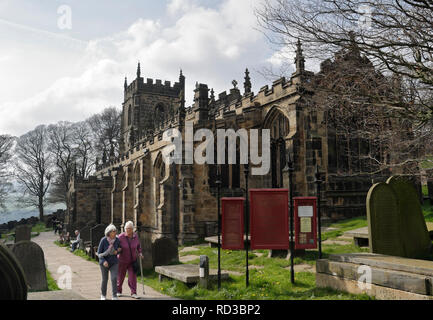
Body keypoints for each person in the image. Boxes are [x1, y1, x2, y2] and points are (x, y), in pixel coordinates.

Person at [117, 221, 142, 299]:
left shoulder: (135, 237)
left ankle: (133, 293)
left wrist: (140, 253)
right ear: (125, 229)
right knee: (120, 276)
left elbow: (138, 247)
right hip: (122, 260)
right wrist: (117, 250)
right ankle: (118, 291)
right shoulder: (120, 237)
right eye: (127, 228)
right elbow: (115, 246)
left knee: (132, 277)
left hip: (132, 261)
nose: (128, 230)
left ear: (133, 229)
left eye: (130, 229)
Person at [97, 224, 121, 300]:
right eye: (113, 231)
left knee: (114, 278)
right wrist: (103, 261)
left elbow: (120, 248)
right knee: (105, 279)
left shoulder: (117, 240)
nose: (115, 233)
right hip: (104, 263)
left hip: (114, 262)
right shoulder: (103, 240)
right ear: (109, 233)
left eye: (115, 231)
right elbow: (99, 253)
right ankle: (103, 295)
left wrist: (117, 251)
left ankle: (114, 296)